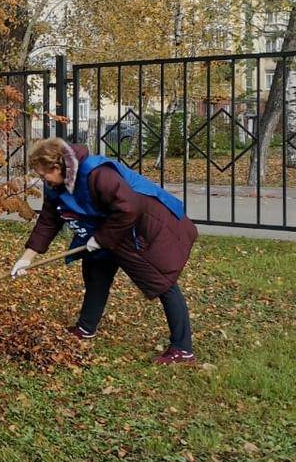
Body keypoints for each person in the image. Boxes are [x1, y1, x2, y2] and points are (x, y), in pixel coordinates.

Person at [11, 137, 199, 364]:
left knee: (162, 282)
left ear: (58, 167)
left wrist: (101, 239)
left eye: (44, 175)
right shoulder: (55, 185)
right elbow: (49, 221)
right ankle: (86, 328)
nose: (44, 180)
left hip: (139, 230)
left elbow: (129, 208)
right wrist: (27, 258)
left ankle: (182, 349)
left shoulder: (97, 174)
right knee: (96, 275)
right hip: (103, 229)